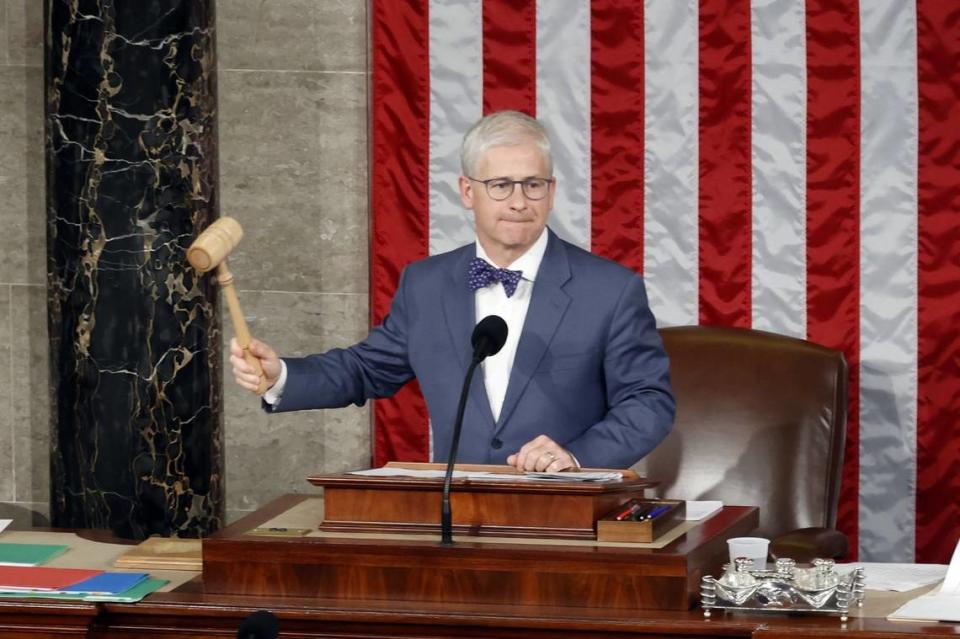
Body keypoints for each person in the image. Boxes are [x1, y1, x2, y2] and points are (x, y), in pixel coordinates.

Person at [232, 110, 675, 471]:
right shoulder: (425, 284)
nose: (519, 202)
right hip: (456, 516)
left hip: (566, 513)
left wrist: (578, 457)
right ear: (467, 191)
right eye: (500, 185)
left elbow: (648, 401)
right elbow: (366, 369)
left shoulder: (611, 290)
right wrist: (282, 376)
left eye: (533, 185)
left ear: (552, 191)